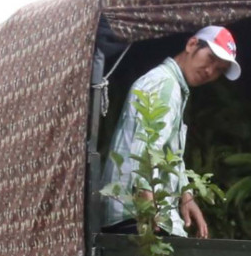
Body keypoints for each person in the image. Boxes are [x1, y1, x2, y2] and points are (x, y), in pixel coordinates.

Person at [98, 25, 241, 239]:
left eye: (219, 69)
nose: (210, 71)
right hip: (135, 214)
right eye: (210, 58)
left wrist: (186, 195)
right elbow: (147, 149)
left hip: (135, 214)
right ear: (192, 44)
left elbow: (166, 152)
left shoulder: (173, 86)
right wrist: (148, 208)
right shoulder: (165, 85)